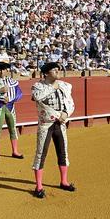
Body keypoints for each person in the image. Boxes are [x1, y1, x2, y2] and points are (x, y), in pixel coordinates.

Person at [31, 62, 76, 198]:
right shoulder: (38, 86)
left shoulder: (64, 86)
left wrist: (66, 114)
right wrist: (52, 87)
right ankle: (38, 187)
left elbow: (70, 103)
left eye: (58, 69)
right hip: (46, 124)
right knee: (41, 154)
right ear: (46, 73)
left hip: (60, 124)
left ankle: (64, 181)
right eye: (54, 69)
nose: (57, 71)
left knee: (63, 152)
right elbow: (37, 97)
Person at [0, 62, 23, 163]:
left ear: (7, 70)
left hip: (10, 107)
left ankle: (15, 151)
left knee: (13, 129)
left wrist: (11, 99)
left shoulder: (13, 81)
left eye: (3, 69)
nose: (1, 72)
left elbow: (19, 94)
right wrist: (0, 90)